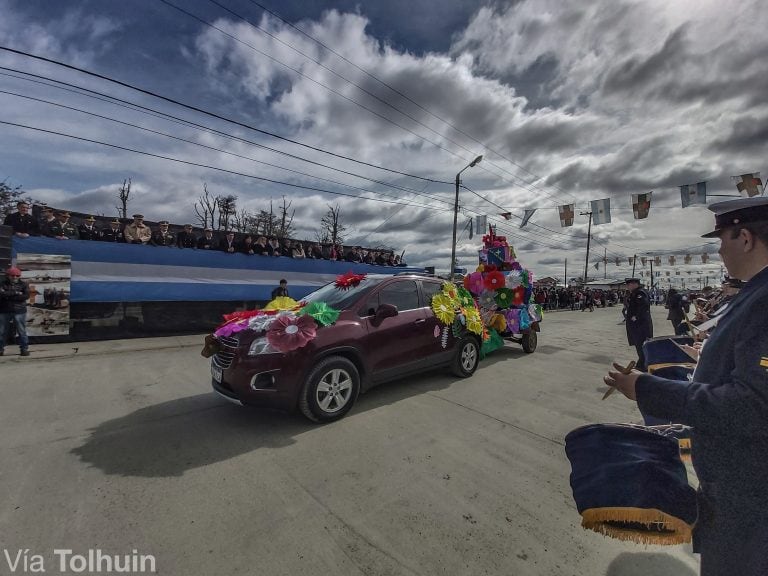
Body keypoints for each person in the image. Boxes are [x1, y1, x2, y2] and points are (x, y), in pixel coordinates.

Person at [604, 196, 768, 576]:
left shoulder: (762, 300)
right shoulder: (755, 293)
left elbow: (754, 405)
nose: (720, 250)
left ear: (745, 238)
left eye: (722, 239)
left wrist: (645, 387)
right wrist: (708, 358)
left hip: (748, 492)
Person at [624, 278, 653, 370]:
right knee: (639, 345)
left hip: (640, 325)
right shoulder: (636, 293)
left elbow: (643, 305)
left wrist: (636, 316)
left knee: (641, 344)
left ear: (634, 284)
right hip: (638, 325)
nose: (628, 287)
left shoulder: (640, 293)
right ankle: (642, 364)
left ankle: (643, 366)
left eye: (629, 285)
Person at [0, 267, 30, 356]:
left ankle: (24, 349)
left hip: (20, 311)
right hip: (5, 310)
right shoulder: (2, 284)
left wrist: (8, 295)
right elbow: (1, 294)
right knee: (2, 331)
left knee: (21, 331)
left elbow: (26, 296)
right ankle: (0, 349)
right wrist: (17, 292)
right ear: (8, 275)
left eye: (17, 275)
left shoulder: (24, 284)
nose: (15, 277)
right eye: (13, 275)